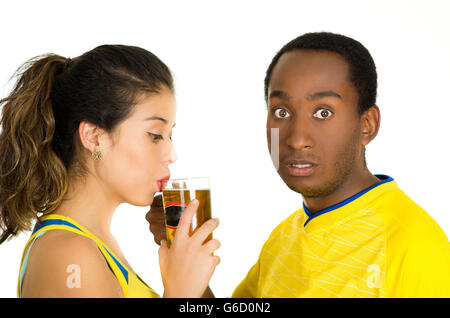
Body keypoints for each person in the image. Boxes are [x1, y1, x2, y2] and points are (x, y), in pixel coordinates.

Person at [147, 32, 450, 297]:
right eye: (281, 112)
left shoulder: (414, 246)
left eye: (323, 113)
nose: (296, 139)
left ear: (367, 125)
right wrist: (180, 251)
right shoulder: (282, 240)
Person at [0, 44, 221, 298]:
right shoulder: (69, 256)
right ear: (94, 138)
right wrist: (180, 293)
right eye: (155, 135)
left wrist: (192, 274)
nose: (172, 155)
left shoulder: (99, 245)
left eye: (170, 135)